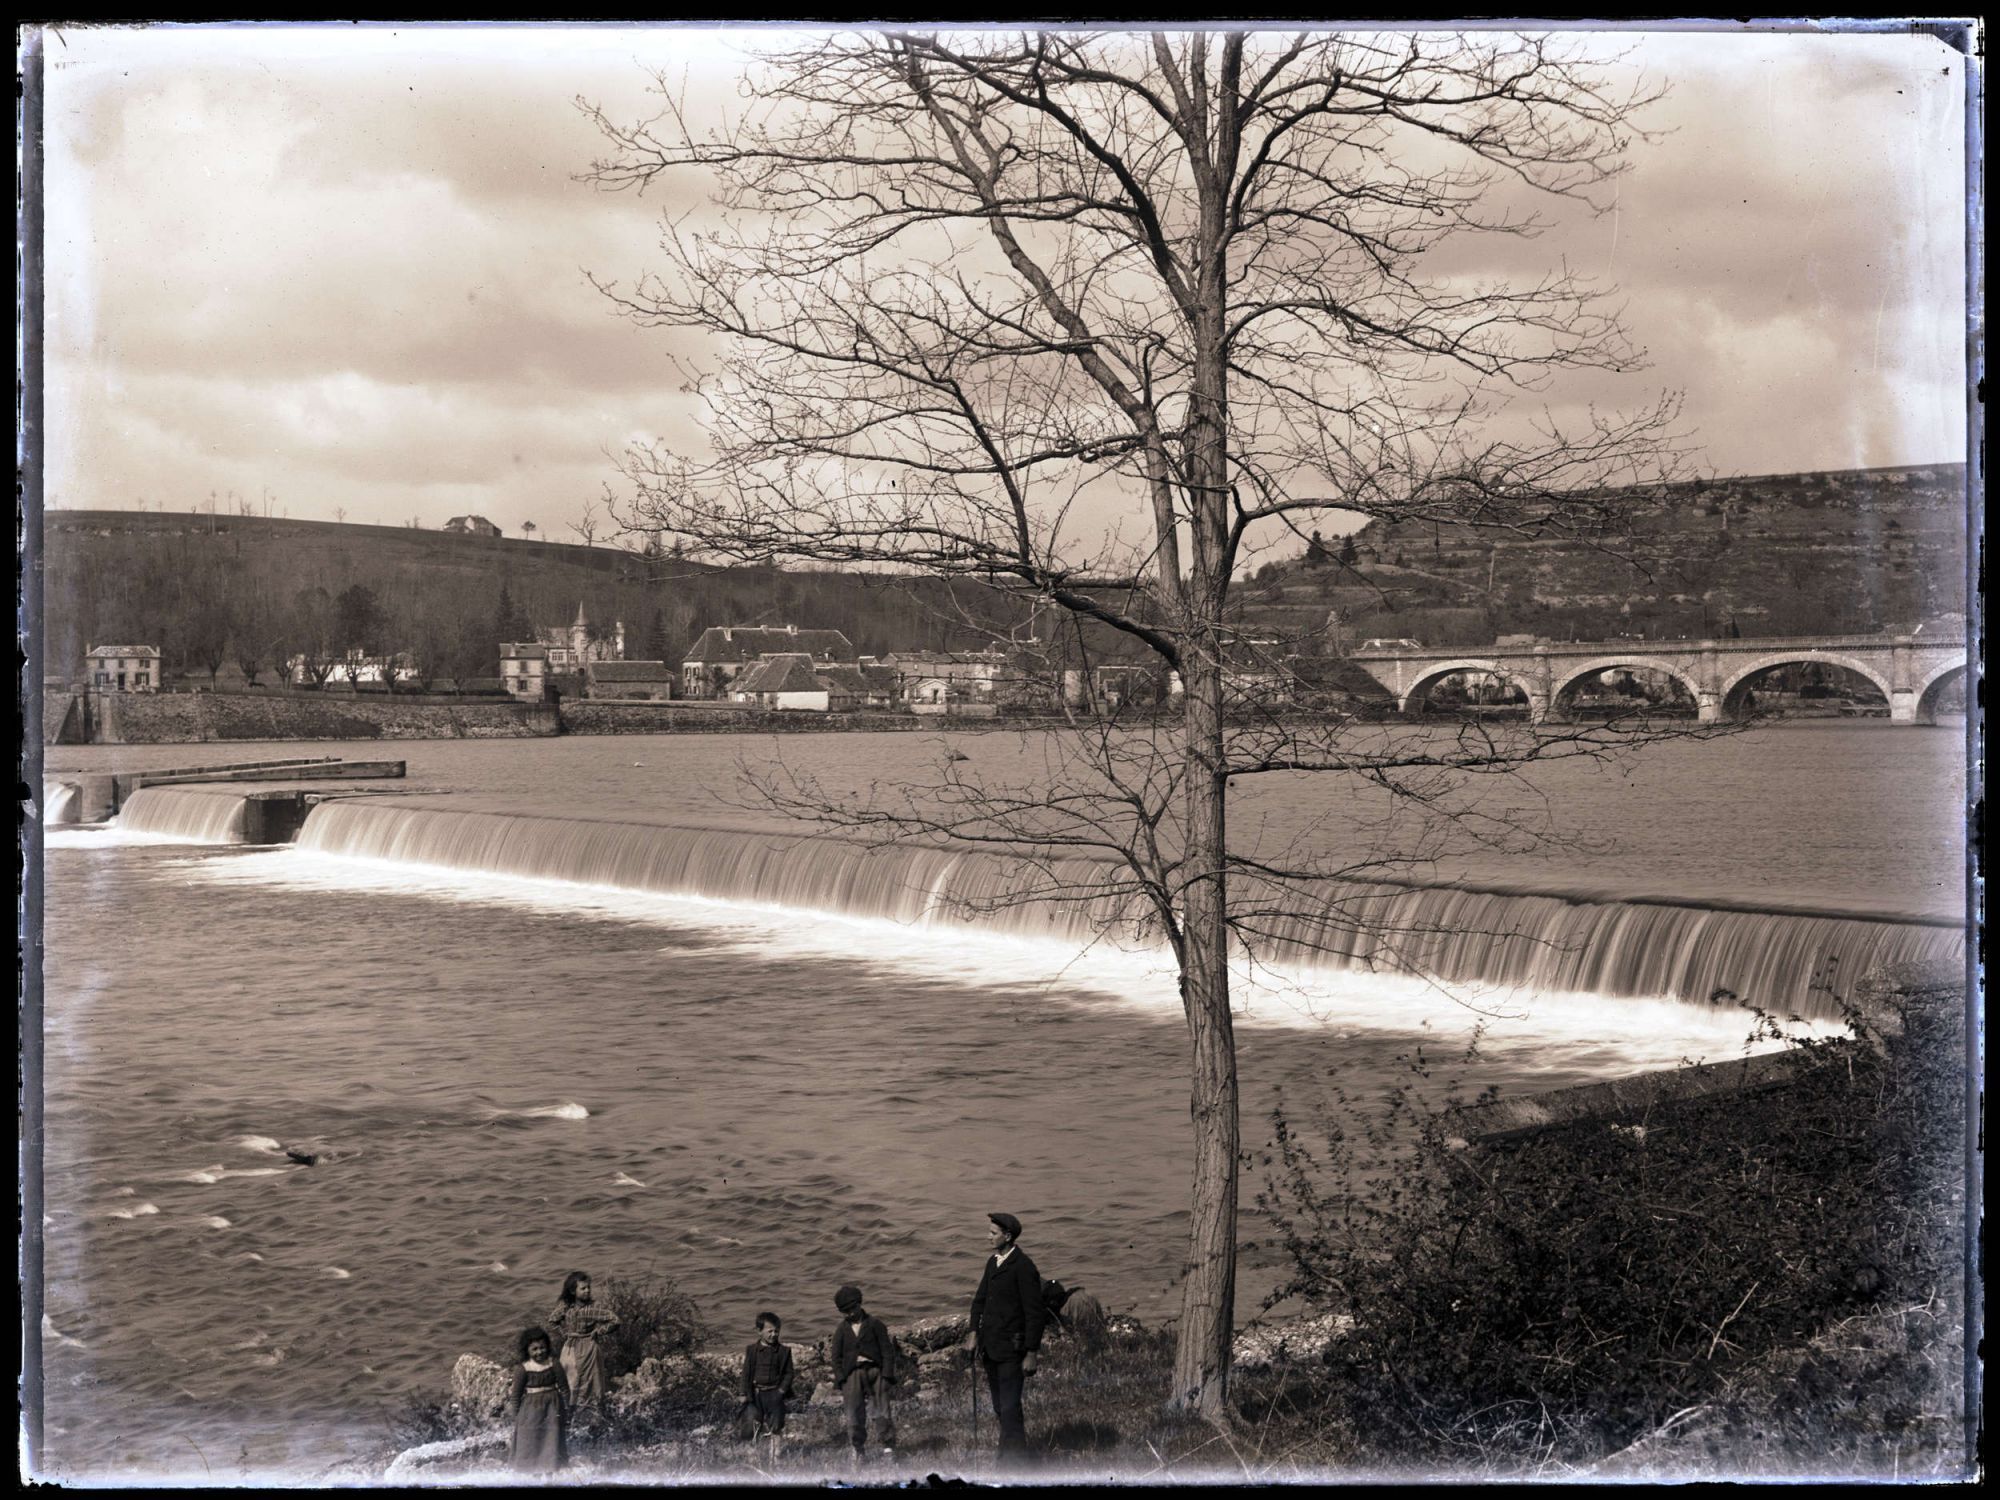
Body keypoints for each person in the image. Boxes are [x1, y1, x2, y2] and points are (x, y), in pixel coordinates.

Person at [967, 1211, 1045, 1463]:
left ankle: (1010, 1463)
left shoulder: (1023, 1267)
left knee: (1010, 1408)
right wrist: (973, 1333)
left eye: (993, 1233)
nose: (987, 1237)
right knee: (1002, 1407)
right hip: (990, 1349)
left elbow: (1035, 1314)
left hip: (1012, 1351)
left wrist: (1031, 1353)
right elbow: (979, 1301)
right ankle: (1015, 1457)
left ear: (1008, 1236)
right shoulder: (993, 1262)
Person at [829, 1284, 897, 1462]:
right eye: (845, 1311)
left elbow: (887, 1351)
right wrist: (842, 1378)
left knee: (882, 1411)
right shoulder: (841, 1330)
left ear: (860, 1304)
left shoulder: (875, 1325)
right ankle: (858, 1449)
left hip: (876, 1372)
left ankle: (888, 1447)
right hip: (852, 1375)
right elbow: (835, 1356)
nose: (850, 1313)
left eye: (853, 1308)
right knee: (853, 1413)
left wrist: (887, 1375)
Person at [547, 1271, 620, 1408]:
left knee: (592, 1382)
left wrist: (599, 1331)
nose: (587, 1290)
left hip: (589, 1348)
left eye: (588, 1287)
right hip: (570, 1347)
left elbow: (615, 1320)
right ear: (573, 1291)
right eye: (583, 1288)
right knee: (569, 1379)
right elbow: (552, 1321)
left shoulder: (594, 1308)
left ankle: (593, 1411)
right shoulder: (566, 1306)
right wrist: (563, 1332)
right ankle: (568, 1410)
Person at [508, 1326, 570, 1473]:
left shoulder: (554, 1364)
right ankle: (533, 1476)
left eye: (542, 1348)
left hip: (552, 1409)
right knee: (530, 1441)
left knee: (551, 1440)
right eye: (534, 1349)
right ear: (527, 1350)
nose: (539, 1352)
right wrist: (517, 1417)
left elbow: (565, 1388)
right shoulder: (523, 1369)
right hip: (530, 1412)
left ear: (547, 1346)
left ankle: (550, 1475)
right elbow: (516, 1396)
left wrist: (567, 1409)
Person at [740, 1311, 796, 1444]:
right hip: (756, 1393)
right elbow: (746, 1373)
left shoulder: (784, 1351)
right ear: (759, 1331)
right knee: (750, 1424)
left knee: (776, 1425)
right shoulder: (752, 1350)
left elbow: (789, 1373)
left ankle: (775, 1458)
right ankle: (751, 1454)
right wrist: (743, 1392)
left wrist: (781, 1391)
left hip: (775, 1393)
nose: (774, 1334)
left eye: (777, 1331)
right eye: (770, 1331)